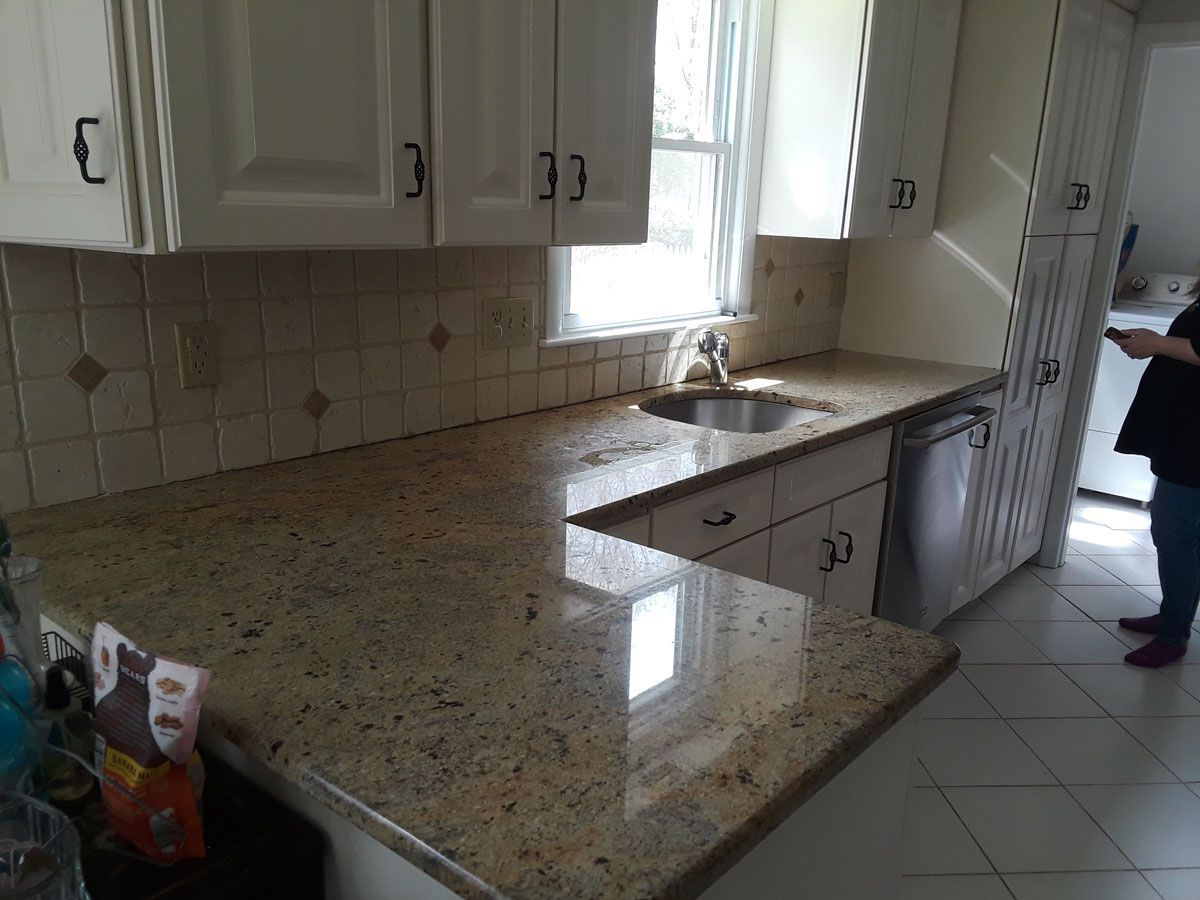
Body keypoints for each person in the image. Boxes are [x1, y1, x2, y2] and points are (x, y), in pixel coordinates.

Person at [1113, 279, 1200, 667]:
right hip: (1184, 431)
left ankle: (1173, 634)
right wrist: (1153, 344)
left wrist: (1159, 344)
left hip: (1194, 442)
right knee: (1182, 535)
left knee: (1174, 533)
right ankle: (1172, 616)